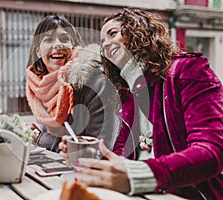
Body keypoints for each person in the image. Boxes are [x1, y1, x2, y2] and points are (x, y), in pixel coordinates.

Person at [59, 8, 223, 199]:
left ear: (138, 31)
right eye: (102, 42)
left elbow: (211, 152)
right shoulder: (128, 95)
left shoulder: (188, 70)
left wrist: (141, 174)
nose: (106, 44)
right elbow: (122, 156)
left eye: (113, 33)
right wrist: (88, 157)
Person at [25, 15, 121, 152]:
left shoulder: (95, 82)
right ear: (38, 51)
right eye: (48, 40)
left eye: (64, 39)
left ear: (74, 46)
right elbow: (53, 127)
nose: (57, 44)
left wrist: (40, 138)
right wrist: (33, 130)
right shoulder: (40, 86)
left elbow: (99, 150)